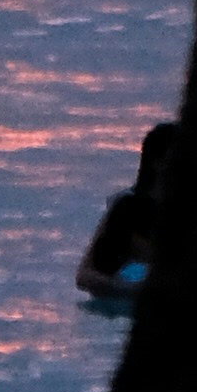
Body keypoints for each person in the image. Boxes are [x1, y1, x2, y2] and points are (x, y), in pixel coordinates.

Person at [78, 115, 175, 305]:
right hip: (124, 299)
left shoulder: (195, 213)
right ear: (157, 162)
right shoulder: (126, 208)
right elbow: (86, 276)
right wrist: (135, 289)